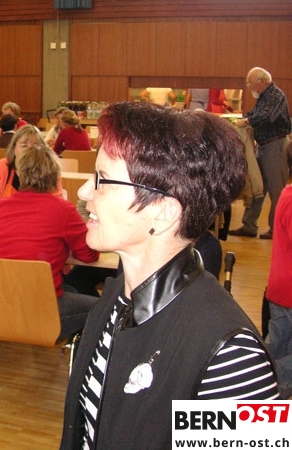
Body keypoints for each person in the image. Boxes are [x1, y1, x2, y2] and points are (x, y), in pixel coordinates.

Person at [59, 102, 278, 450]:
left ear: (162, 212)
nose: (85, 192)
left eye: (102, 179)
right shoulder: (115, 301)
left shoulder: (230, 354)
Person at [0, 145, 99, 338]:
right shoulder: (64, 211)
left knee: (71, 289)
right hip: (44, 313)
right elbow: (89, 255)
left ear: (19, 173)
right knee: (104, 308)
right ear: (55, 176)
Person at [229, 67, 291, 240]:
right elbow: (256, 113)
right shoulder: (264, 97)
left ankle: (276, 228)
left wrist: (247, 120)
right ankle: (249, 225)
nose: (250, 87)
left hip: (275, 146)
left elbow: (267, 117)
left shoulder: (276, 95)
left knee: (276, 190)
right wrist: (245, 118)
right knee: (257, 187)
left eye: (250, 84)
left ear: (261, 81)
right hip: (263, 146)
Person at [0, 125, 62, 221]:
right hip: (4, 227)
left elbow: (57, 212)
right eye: (24, 146)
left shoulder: (50, 171)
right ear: (14, 149)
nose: (29, 151)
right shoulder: (1, 169)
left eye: (35, 146)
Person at [264, 183, 292, 399]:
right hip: (287, 291)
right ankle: (271, 390)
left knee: (275, 347)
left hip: (280, 288)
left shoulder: (286, 193)